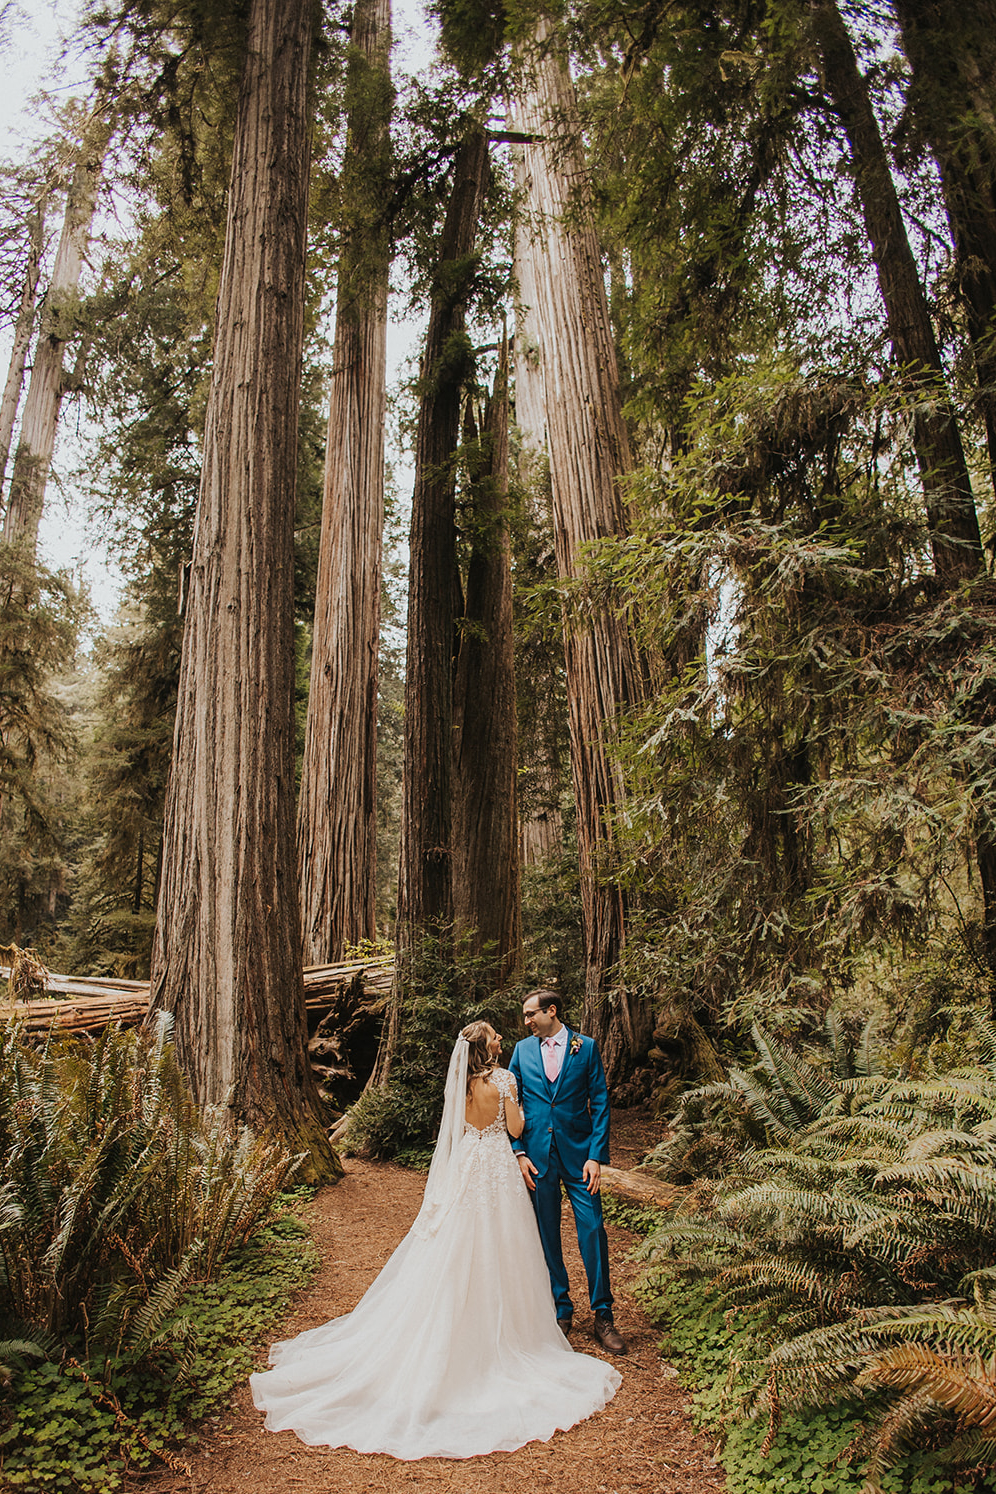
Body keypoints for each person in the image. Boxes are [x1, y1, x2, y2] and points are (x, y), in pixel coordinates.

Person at [250, 1021, 620, 1460]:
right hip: (497, 1167)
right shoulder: (504, 1081)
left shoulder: (459, 1087)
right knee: (506, 1245)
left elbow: (458, 1132)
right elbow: (517, 1130)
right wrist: (515, 1112)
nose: (505, 1040)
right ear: (487, 1049)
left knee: (461, 1240)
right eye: (497, 1037)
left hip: (467, 1166)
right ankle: (512, 1328)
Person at [509, 989, 627, 1356]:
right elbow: (508, 1101)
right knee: (546, 1235)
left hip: (580, 1159)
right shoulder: (521, 1051)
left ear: (551, 1011)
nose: (526, 1021)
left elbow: (601, 1100)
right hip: (538, 1159)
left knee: (593, 1230)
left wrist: (596, 1156)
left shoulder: (586, 1047)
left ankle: (603, 1316)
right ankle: (560, 1309)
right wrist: (518, 1152)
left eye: (531, 1014)